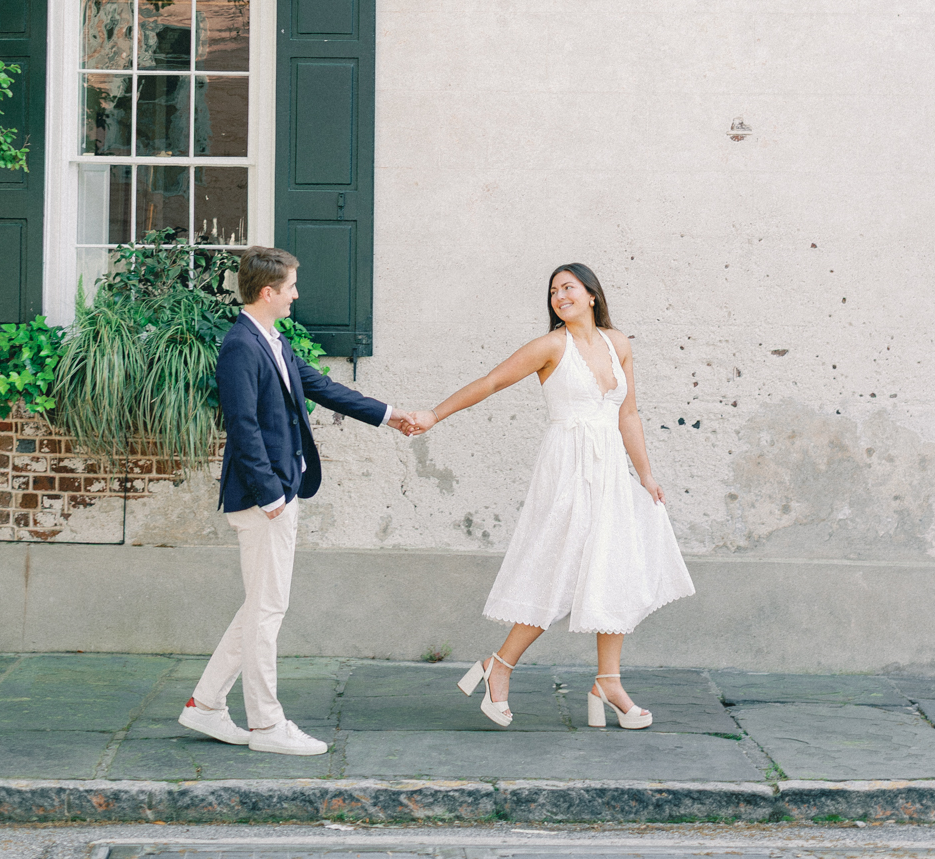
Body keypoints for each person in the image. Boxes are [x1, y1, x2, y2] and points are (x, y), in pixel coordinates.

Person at [407, 262, 694, 730]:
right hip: (568, 468)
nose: (560, 296)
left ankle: (608, 681)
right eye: (554, 291)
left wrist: (645, 474)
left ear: (592, 295)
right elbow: (492, 382)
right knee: (558, 569)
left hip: (611, 472)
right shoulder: (549, 346)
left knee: (614, 568)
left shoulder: (617, 343)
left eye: (569, 288)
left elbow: (629, 415)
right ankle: (499, 664)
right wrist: (434, 415)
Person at [181, 245, 416, 756]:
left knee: (259, 607)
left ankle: (205, 705)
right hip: (265, 499)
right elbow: (241, 427)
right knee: (267, 612)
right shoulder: (241, 346)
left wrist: (389, 414)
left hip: (279, 492)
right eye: (290, 287)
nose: (296, 294)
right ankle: (266, 726)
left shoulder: (270, 338)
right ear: (268, 292)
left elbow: (322, 387)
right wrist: (270, 497)